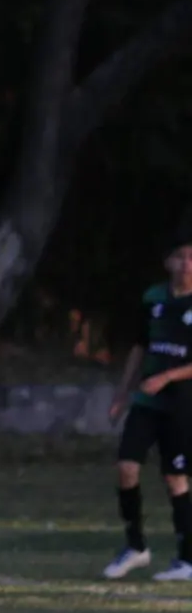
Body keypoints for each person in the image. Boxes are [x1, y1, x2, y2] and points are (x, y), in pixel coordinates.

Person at [103, 228, 192, 582]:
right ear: (168, 262)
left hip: (183, 402)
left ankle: (187, 559)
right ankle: (136, 547)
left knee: (175, 478)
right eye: (181, 257)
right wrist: (122, 394)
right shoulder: (154, 297)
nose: (187, 264)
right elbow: (140, 347)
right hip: (147, 400)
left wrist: (168, 378)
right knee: (126, 466)